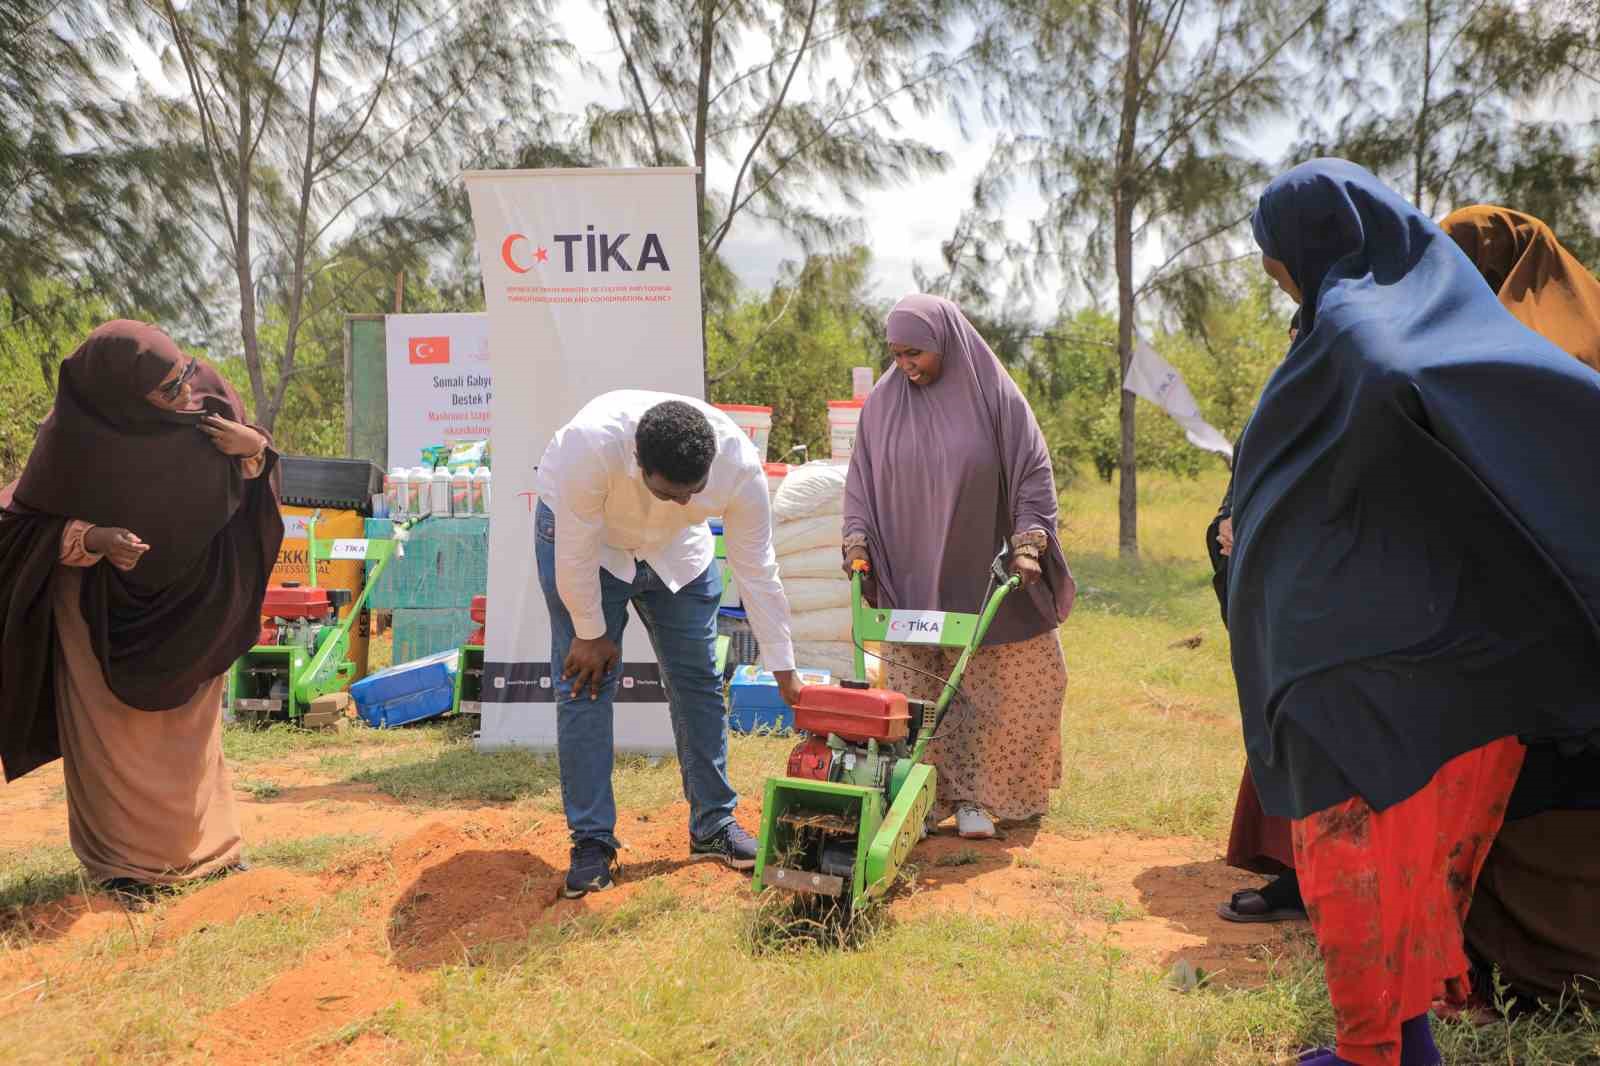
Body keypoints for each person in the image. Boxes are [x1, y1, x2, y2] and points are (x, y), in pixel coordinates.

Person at [1230, 160, 1600, 1066]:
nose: (1272, 267)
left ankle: (1371, 1052)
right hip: (1413, 658)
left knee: (1354, 867)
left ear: (1315, 236)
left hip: (1361, 667)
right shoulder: (1411, 316)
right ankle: (1409, 1040)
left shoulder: (1362, 331)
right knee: (1409, 868)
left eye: (1274, 248)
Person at [0, 320, 283, 908]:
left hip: (196, 600)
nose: (184, 394)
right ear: (119, 395)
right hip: (100, 612)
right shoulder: (74, 438)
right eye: (165, 390)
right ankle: (123, 868)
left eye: (183, 375)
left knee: (191, 735)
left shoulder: (208, 397)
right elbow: (22, 530)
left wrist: (252, 450)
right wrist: (94, 537)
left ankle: (214, 850)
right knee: (114, 739)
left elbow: (251, 479)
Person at [534, 391, 800, 898]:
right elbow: (574, 548)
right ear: (639, 463)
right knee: (585, 683)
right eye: (669, 492)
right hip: (590, 544)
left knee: (698, 679)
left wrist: (783, 663)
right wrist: (590, 633)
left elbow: (757, 569)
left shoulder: (738, 467)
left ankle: (714, 827)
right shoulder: (590, 446)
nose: (683, 501)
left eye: (692, 492)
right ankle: (592, 843)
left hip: (678, 549)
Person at [1439, 204, 1600, 1009]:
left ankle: (1530, 964)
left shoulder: (1492, 352)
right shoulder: (1588, 328)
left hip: (1528, 616)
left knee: (1531, 786)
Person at [842, 294, 1074, 840]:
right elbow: (861, 480)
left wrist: (1028, 544)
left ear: (944, 341)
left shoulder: (994, 395)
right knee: (921, 692)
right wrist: (857, 540)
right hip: (912, 576)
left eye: (915, 352)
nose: (905, 365)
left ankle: (983, 796)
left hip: (985, 572)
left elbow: (1032, 472)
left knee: (1018, 685)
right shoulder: (882, 403)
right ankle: (923, 796)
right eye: (896, 354)